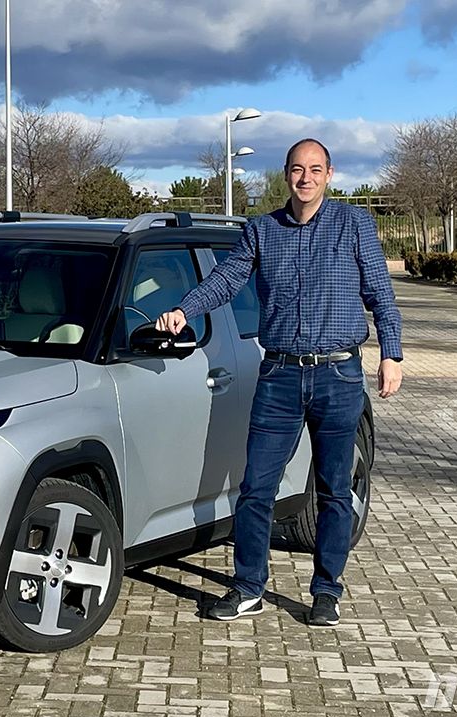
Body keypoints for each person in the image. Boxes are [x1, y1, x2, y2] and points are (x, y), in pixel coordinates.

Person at [156, 138, 403, 626]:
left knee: (334, 489)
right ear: (286, 175)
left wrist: (391, 354)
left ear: (329, 175)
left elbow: (380, 292)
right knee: (256, 488)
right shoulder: (261, 230)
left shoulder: (353, 225)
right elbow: (227, 279)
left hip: (339, 374)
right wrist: (185, 310)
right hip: (280, 374)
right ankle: (248, 586)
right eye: (296, 169)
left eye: (315, 169)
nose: (305, 178)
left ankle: (327, 591)